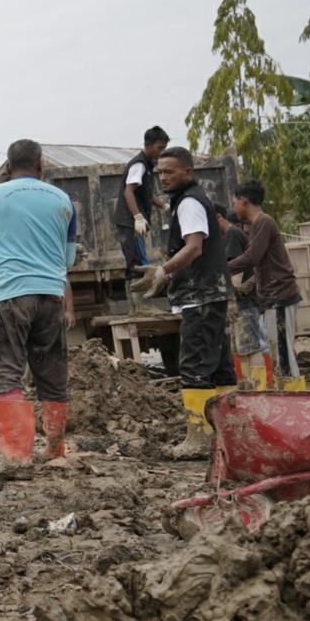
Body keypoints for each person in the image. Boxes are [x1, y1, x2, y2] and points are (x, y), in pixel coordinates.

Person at [0, 140, 78, 461]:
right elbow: (68, 258)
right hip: (52, 295)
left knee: (8, 370)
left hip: (10, 295)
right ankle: (55, 447)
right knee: (52, 373)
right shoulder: (64, 200)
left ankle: (17, 454)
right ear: (41, 165)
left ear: (7, 168)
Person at [132, 147, 236, 458]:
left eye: (170, 172)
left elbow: (193, 248)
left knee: (193, 367)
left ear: (187, 172)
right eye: (160, 172)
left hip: (200, 295)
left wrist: (164, 270)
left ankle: (199, 438)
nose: (163, 177)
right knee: (218, 367)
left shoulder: (190, 202)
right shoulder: (190, 199)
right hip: (210, 294)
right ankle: (229, 432)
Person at [225, 180, 303, 391]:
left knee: (283, 356)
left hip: (280, 296)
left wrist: (222, 268)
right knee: (279, 353)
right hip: (273, 297)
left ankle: (293, 402)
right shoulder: (259, 225)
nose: (233, 207)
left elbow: (253, 256)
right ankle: (288, 397)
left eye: (234, 202)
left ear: (244, 200)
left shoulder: (263, 222)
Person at [110, 126, 170, 299]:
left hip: (129, 221)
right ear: (148, 145)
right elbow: (128, 192)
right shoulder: (140, 164)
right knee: (138, 263)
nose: (162, 152)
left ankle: (138, 307)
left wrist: (163, 206)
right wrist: (137, 216)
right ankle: (142, 307)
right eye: (160, 148)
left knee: (134, 262)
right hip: (130, 221)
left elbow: (146, 193)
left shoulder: (147, 165)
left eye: (164, 148)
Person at [221, 210, 269, 389]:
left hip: (244, 301)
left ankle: (258, 389)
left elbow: (237, 268)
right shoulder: (235, 234)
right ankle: (248, 386)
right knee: (241, 349)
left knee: (251, 348)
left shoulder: (232, 234)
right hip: (242, 301)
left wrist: (231, 299)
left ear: (219, 218)